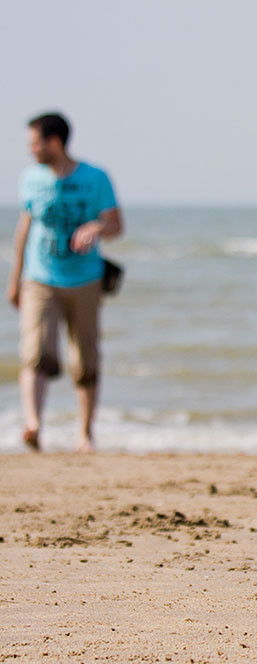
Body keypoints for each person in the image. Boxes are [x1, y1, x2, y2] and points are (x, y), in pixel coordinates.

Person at [5, 112, 123, 453]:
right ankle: (33, 425)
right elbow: (24, 228)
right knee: (35, 353)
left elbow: (116, 225)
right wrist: (15, 279)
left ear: (54, 142)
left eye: (35, 143)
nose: (30, 150)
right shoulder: (30, 179)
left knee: (85, 360)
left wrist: (96, 227)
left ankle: (84, 435)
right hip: (39, 279)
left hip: (85, 279)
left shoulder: (95, 177)